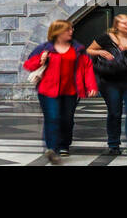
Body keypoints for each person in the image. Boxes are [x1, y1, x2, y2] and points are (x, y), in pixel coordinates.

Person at [22, 20, 97, 162]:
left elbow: (87, 67)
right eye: (67, 29)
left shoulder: (78, 49)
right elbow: (28, 65)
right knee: (53, 118)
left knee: (67, 120)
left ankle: (64, 145)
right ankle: (52, 149)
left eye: (71, 29)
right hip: (48, 90)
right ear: (57, 32)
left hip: (70, 90)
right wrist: (41, 60)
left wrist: (91, 86)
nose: (71, 31)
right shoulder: (44, 48)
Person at [87, 13, 127, 156]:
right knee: (114, 113)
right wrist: (100, 52)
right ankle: (113, 144)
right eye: (123, 23)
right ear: (117, 25)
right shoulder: (105, 38)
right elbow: (89, 50)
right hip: (110, 81)